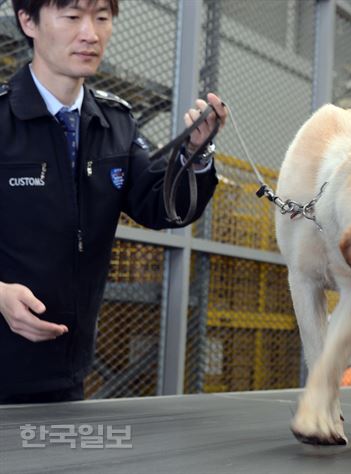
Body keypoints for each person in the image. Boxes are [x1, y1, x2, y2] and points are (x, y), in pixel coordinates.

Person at [0, 0, 226, 403]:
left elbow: (162, 208)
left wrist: (196, 153)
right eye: (72, 17)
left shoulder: (115, 123)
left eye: (102, 18)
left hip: (64, 371)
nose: (90, 33)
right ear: (28, 21)